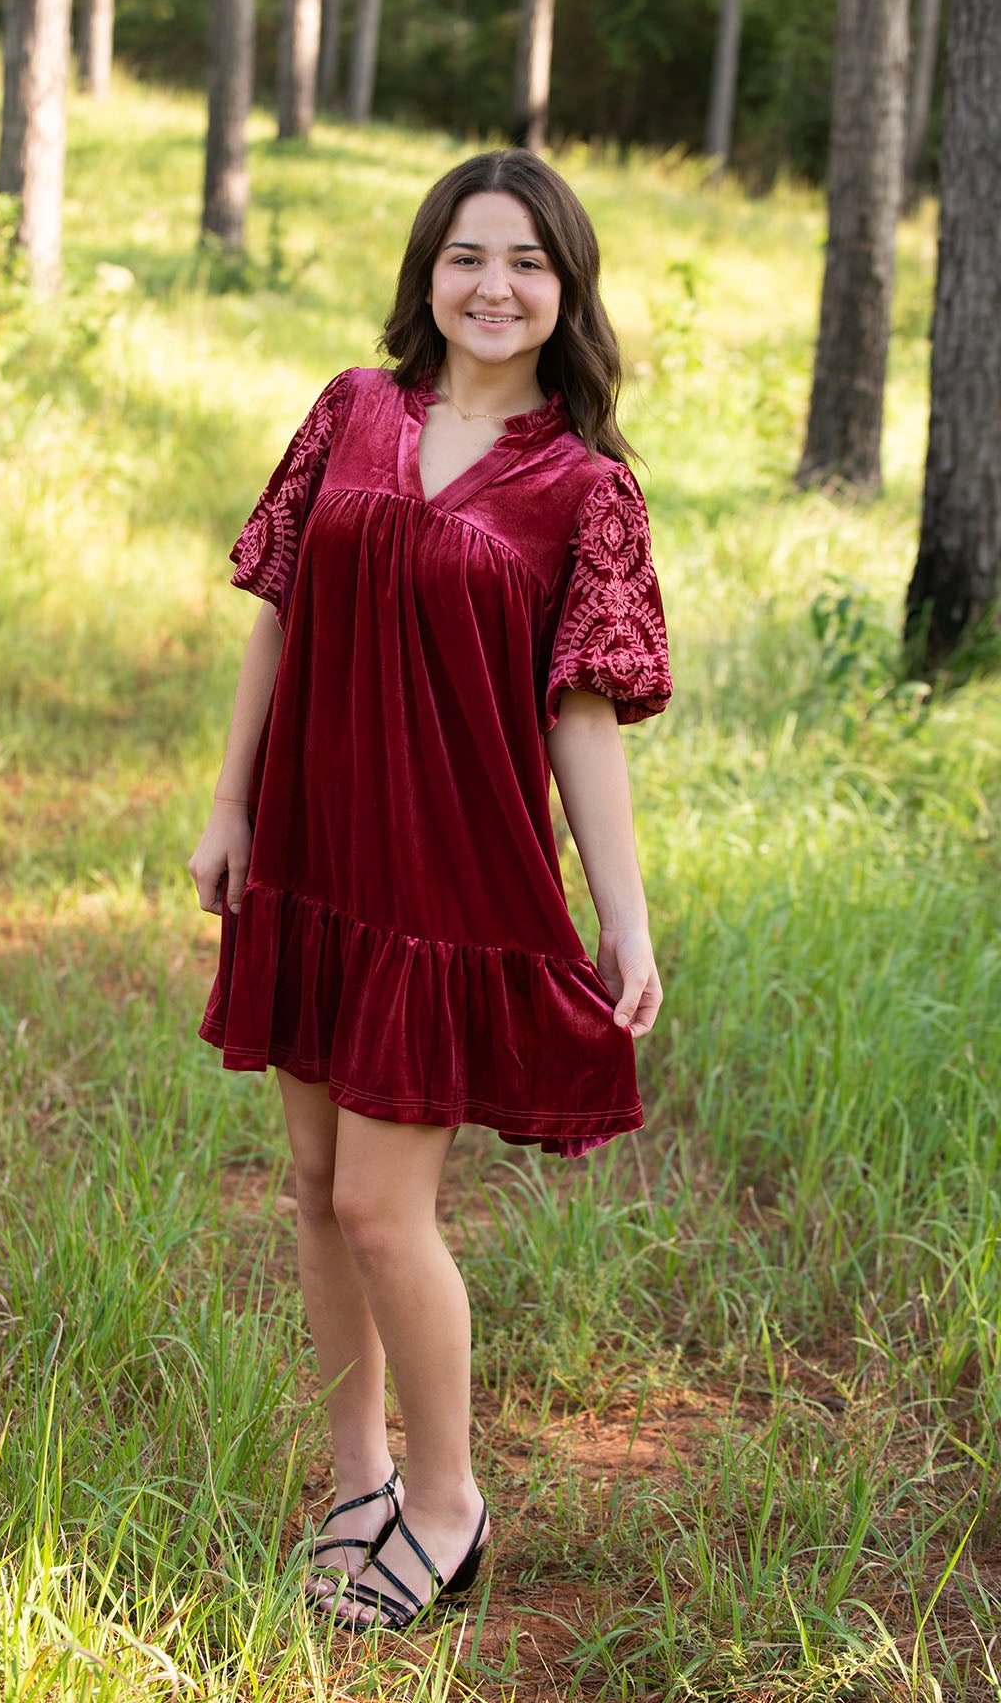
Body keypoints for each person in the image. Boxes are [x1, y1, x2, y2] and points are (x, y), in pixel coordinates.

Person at [187, 149, 672, 1632]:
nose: (495, 286)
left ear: (566, 292)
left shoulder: (584, 490)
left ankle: (449, 1504)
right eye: (469, 255)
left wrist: (624, 912)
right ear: (428, 272)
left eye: (529, 262)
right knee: (317, 1200)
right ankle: (357, 1483)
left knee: (386, 1209)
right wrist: (230, 800)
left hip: (449, 880)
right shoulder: (353, 410)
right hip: (317, 853)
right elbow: (278, 605)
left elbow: (578, 715)